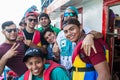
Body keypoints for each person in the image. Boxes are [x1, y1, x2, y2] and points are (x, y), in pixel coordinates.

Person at [53, 6, 103, 73]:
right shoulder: (60, 34)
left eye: (71, 14)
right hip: (64, 69)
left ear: (76, 17)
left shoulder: (83, 29)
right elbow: (57, 48)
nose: (68, 17)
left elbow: (100, 34)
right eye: (66, 15)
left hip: (77, 68)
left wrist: (90, 36)